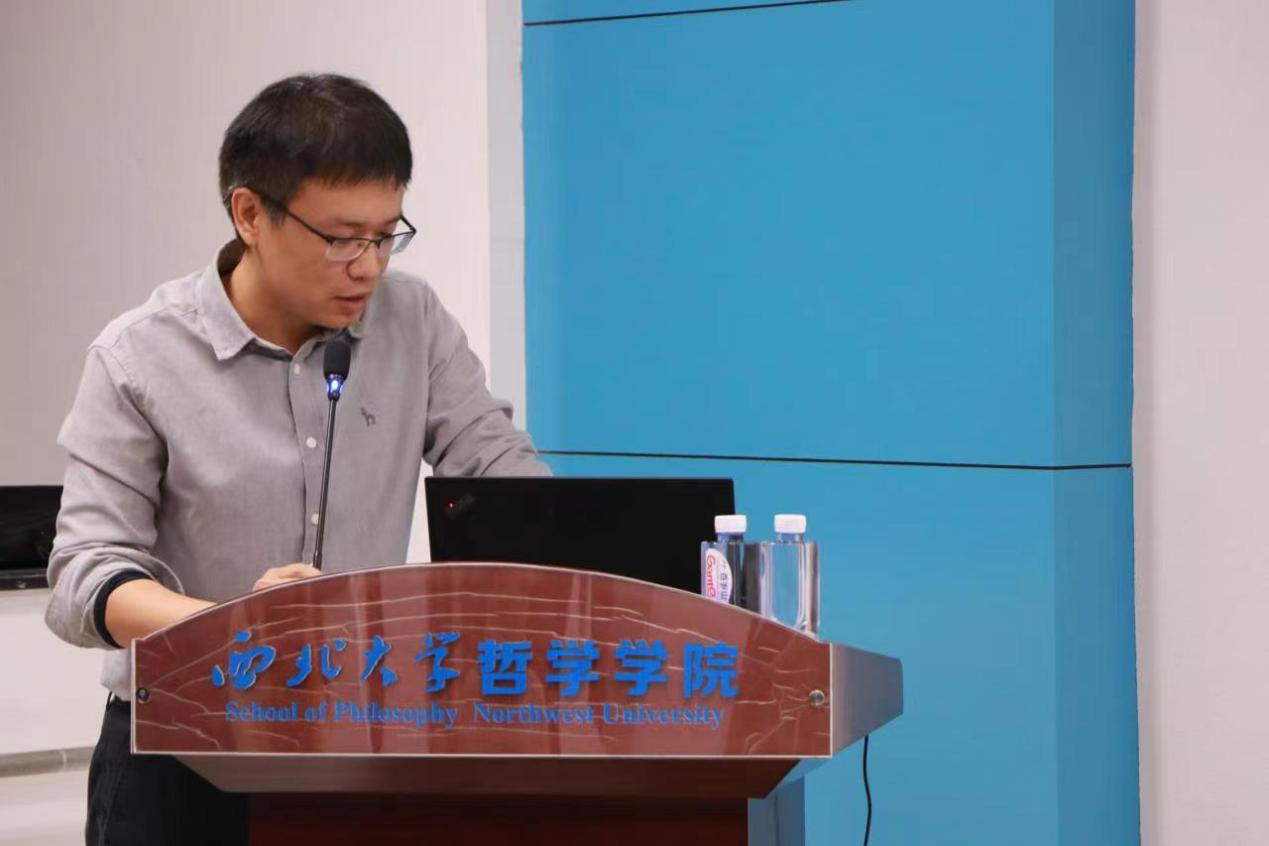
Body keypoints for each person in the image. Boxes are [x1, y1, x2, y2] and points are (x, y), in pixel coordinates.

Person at [44, 73, 549, 844]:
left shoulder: (412, 322)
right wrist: (239, 626)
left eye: (386, 235)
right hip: (181, 747)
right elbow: (84, 577)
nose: (369, 266)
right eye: (341, 238)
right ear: (250, 213)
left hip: (356, 740)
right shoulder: (138, 356)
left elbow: (500, 474)